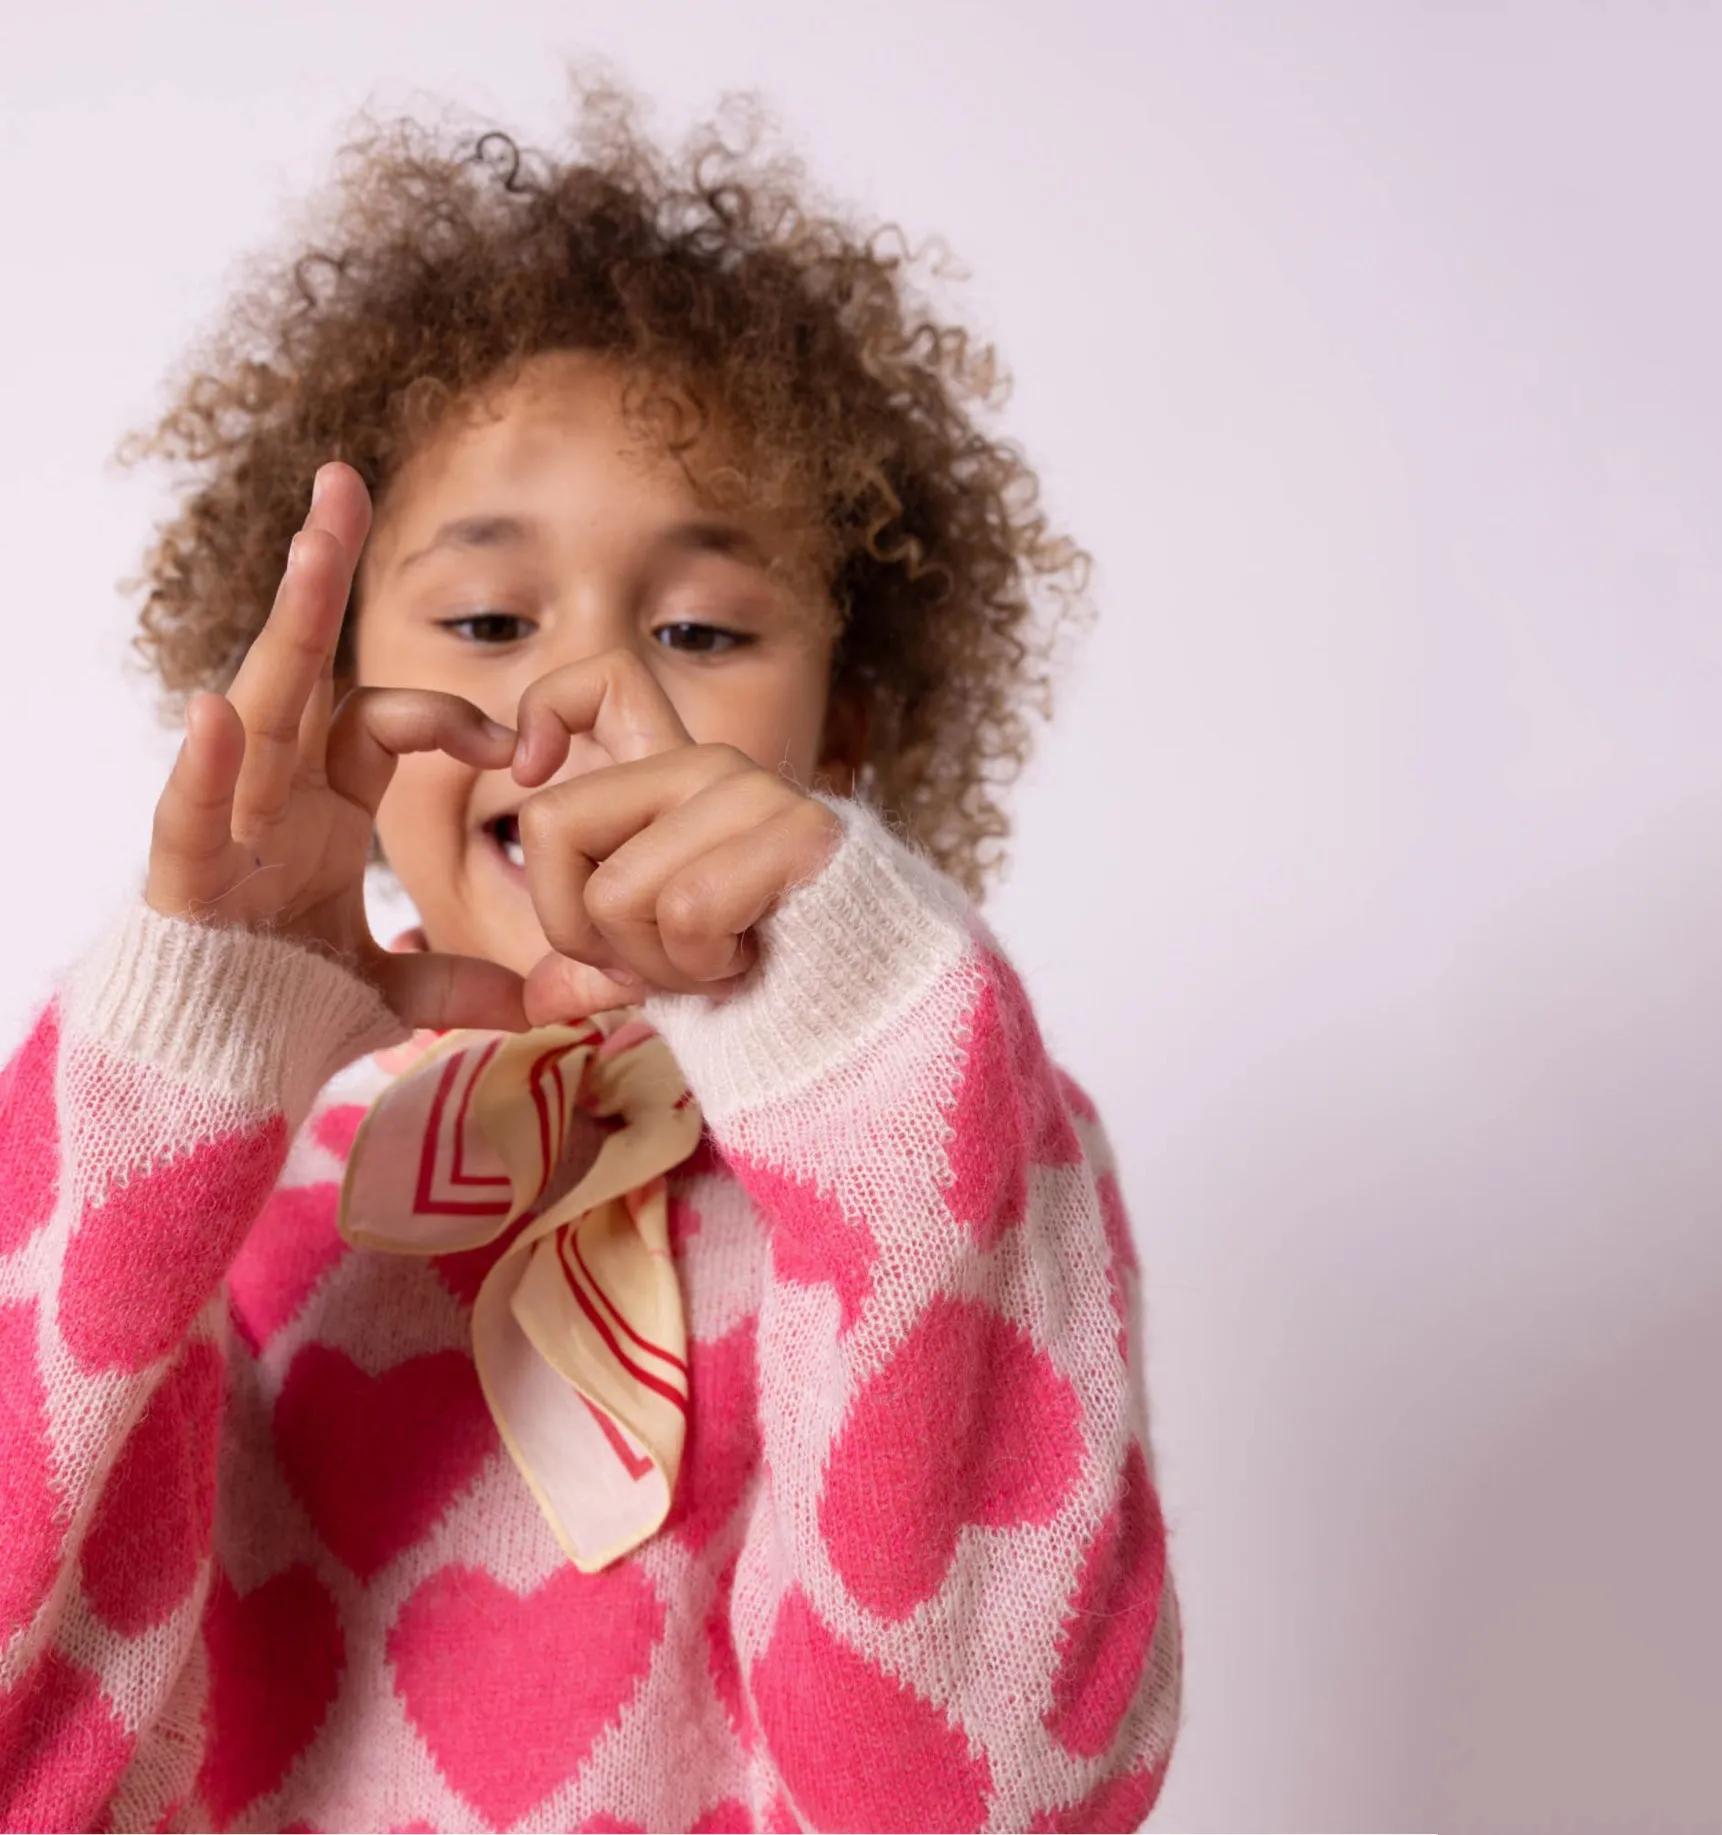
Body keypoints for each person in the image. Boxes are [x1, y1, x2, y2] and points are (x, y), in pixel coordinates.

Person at [0, 79, 1181, 1834]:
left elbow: (982, 1799)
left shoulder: (958, 1147)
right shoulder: (213, 1188)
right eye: (483, 620)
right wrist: (173, 1064)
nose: (584, 704)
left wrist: (877, 1048)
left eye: (700, 629)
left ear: (842, 734)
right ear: (336, 708)